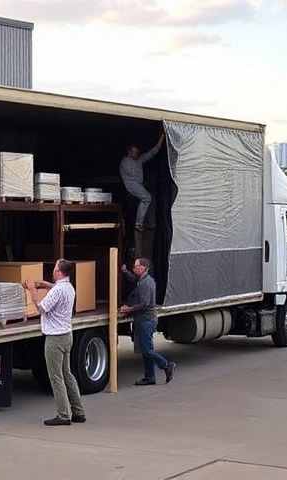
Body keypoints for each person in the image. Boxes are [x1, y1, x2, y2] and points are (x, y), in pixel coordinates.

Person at [23, 259, 86, 426]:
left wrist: (31, 290)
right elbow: (58, 289)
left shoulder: (58, 290)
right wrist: (46, 285)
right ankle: (78, 411)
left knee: (56, 377)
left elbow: (42, 308)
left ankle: (63, 415)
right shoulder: (69, 287)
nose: (53, 270)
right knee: (67, 374)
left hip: (55, 338)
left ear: (59, 272)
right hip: (67, 335)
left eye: (55, 268)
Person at [120, 257, 176, 386]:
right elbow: (133, 279)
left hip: (146, 320)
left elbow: (145, 304)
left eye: (136, 266)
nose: (134, 269)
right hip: (142, 320)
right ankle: (150, 377)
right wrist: (125, 271)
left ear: (143, 267)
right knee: (146, 350)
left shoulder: (146, 283)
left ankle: (167, 365)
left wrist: (129, 309)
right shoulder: (142, 280)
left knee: (147, 350)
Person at [119, 133, 165, 232]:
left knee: (150, 198)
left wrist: (162, 138)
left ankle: (147, 223)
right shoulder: (125, 161)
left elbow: (153, 152)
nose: (137, 154)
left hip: (138, 186)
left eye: (138, 152)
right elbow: (135, 175)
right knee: (147, 197)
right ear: (129, 152)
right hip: (131, 186)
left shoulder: (138, 159)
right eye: (135, 152)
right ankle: (138, 224)